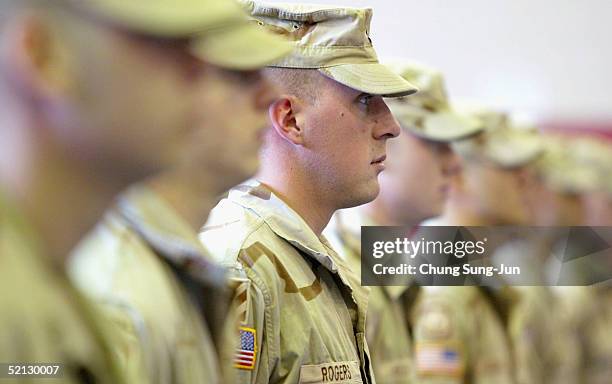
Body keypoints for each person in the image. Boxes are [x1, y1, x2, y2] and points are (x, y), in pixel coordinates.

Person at [0, 0, 285, 382]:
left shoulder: (55, 285)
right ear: (44, 55)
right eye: (166, 42)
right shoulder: (38, 303)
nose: (199, 71)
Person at [200, 2, 418, 383]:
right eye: (365, 100)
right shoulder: (241, 268)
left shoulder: (314, 260)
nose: (390, 126)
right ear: (291, 120)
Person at [324, 62, 482, 384]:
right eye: (436, 144)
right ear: (385, 138)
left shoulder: (393, 265)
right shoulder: (337, 268)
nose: (454, 163)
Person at [413, 110, 542, 384]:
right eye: (509, 166)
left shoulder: (476, 274)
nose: (525, 179)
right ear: (458, 173)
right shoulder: (441, 284)